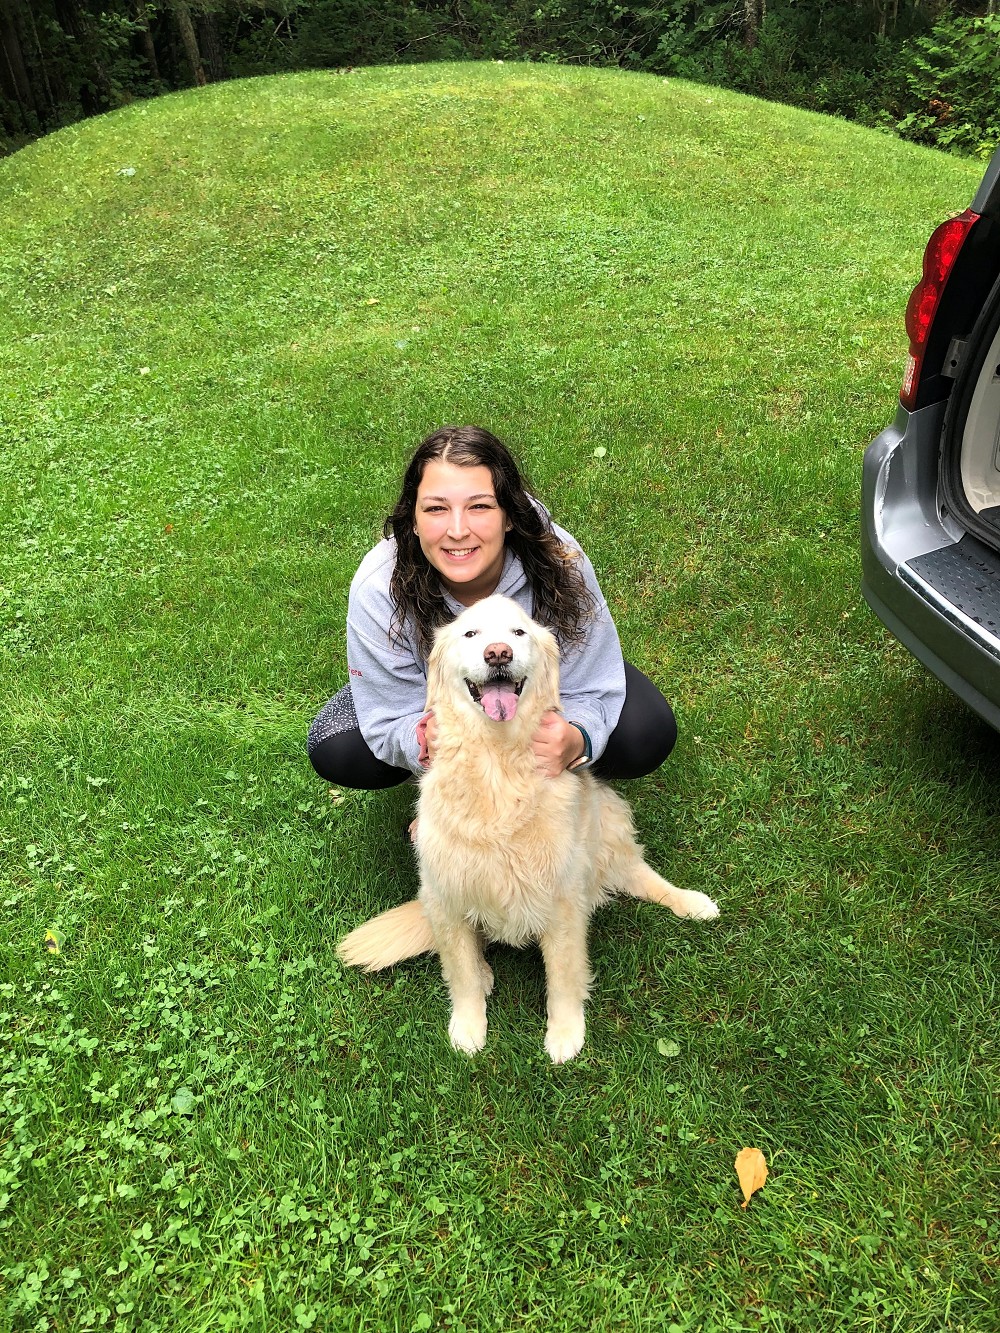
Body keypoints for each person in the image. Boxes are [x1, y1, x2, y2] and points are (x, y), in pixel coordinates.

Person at [307, 424, 677, 791]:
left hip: (540, 683)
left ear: (509, 515)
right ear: (414, 520)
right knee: (338, 748)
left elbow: (590, 681)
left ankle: (549, 777)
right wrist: (423, 738)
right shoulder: (378, 586)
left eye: (479, 506)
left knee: (643, 734)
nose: (457, 530)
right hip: (423, 690)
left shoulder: (559, 558)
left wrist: (577, 736)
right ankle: (444, 788)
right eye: (436, 509)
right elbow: (390, 718)